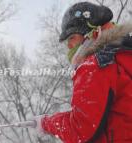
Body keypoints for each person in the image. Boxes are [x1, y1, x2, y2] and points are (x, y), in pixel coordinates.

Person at [33, 2, 132, 143]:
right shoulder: (124, 56)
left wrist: (45, 123)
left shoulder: (96, 65)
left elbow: (80, 128)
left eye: (72, 37)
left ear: (93, 33)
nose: (69, 45)